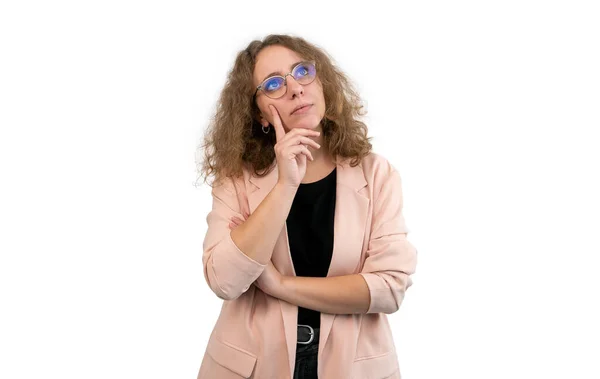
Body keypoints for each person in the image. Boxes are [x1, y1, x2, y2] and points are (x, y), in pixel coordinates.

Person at [195, 34, 418, 379]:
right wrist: (286, 184)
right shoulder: (236, 178)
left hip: (353, 366)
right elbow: (224, 281)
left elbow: (389, 287)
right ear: (259, 114)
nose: (295, 88)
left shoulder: (377, 174)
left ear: (323, 82)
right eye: (273, 84)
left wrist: (281, 286)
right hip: (252, 365)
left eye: (302, 71)